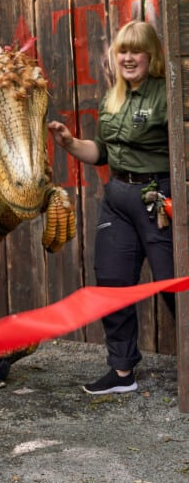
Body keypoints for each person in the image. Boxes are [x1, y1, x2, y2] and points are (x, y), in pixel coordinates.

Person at [48, 20, 175, 395]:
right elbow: (100, 152)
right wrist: (70, 142)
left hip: (158, 198)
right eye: (123, 50)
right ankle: (122, 372)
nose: (129, 57)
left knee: (173, 288)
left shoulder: (167, 95)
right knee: (112, 283)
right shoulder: (112, 97)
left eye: (136, 50)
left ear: (151, 56)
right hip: (118, 197)